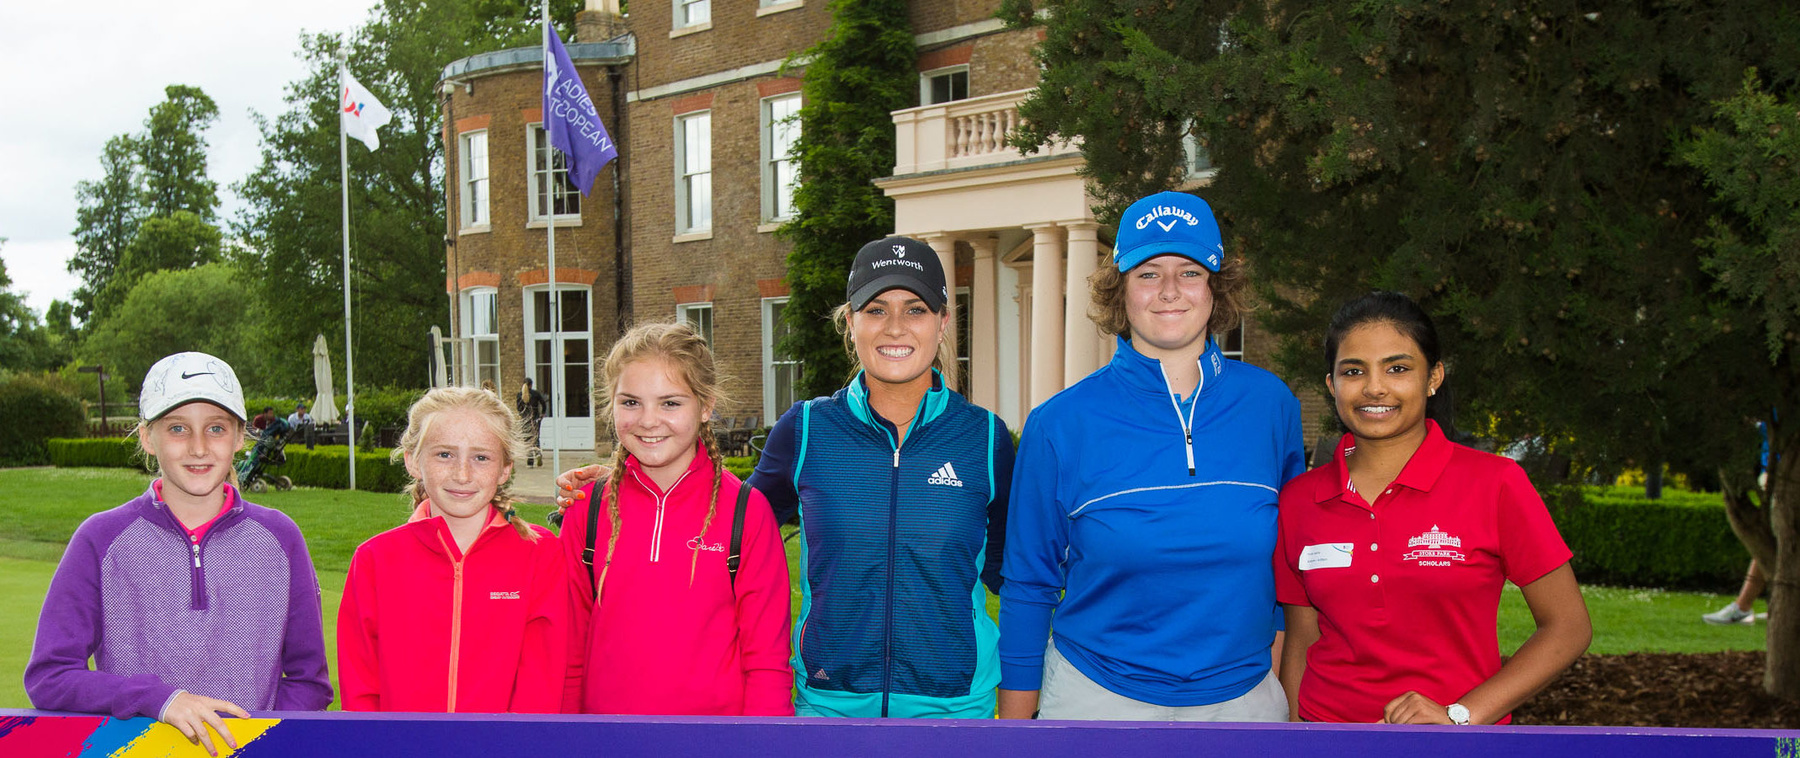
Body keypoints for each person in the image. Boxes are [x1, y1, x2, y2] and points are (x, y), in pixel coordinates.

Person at [558, 235, 1014, 718]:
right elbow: (722, 516)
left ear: (943, 322)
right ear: (851, 322)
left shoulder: (983, 437)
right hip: (829, 704)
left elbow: (1015, 572)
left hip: (956, 708)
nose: (895, 327)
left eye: (916, 309)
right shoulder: (808, 429)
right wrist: (625, 486)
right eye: (876, 309)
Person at [998, 191, 1304, 722]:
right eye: (1147, 273)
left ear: (1216, 287)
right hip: (1095, 701)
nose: (1168, 291)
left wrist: (1272, 672)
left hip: (1243, 704)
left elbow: (1289, 564)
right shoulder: (1060, 424)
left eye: (1189, 272)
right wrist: (1015, 732)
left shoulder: (1270, 405)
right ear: (1120, 290)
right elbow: (1029, 585)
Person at [1275, 291, 1592, 724]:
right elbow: (1301, 639)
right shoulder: (1299, 499)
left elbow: (1568, 627)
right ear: (1332, 385)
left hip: (1453, 744)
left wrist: (1461, 715)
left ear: (1433, 377)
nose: (1374, 387)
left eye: (1398, 368)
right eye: (1353, 371)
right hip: (1328, 739)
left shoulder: (1495, 483)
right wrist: (1297, 737)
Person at [25, 352, 332, 755]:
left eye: (217, 428)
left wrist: (260, 744)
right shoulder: (100, 539)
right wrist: (159, 700)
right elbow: (50, 676)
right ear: (147, 439)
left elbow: (309, 681)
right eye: (178, 428)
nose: (199, 447)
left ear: (240, 437)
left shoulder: (280, 538)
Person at [560, 321, 791, 715]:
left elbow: (766, 662)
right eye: (630, 402)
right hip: (603, 739)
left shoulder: (745, 512)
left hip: (713, 744)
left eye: (670, 403)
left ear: (705, 406)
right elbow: (565, 648)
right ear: (610, 404)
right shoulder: (588, 507)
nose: (649, 420)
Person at [337, 386, 569, 713]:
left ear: (505, 468)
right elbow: (360, 688)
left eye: (481, 457)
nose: (462, 474)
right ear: (413, 461)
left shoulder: (540, 553)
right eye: (445, 454)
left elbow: (542, 683)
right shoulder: (375, 560)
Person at [518, 378, 549, 467]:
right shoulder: (535, 393)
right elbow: (543, 403)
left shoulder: (520, 395)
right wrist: (542, 413)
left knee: (528, 440)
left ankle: (530, 462)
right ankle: (538, 453)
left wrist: (523, 415)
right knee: (535, 438)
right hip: (535, 419)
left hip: (525, 420)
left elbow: (519, 408)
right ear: (531, 385)